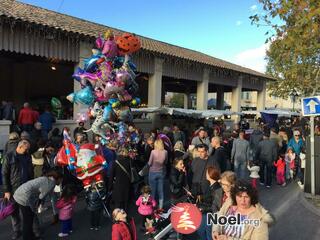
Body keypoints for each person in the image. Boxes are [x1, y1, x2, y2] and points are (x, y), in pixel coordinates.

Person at [13, 169, 63, 240]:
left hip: (20, 192)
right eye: (61, 180)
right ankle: (27, 237)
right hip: (24, 197)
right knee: (28, 220)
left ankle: (30, 236)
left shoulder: (46, 178)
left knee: (29, 218)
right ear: (58, 178)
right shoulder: (51, 183)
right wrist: (38, 206)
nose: (61, 182)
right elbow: (41, 197)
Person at [2, 140, 34, 240]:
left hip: (26, 188)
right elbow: (4, 174)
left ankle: (33, 232)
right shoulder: (9, 156)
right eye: (26, 148)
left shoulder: (27, 156)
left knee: (29, 211)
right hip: (14, 189)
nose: (27, 150)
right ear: (20, 147)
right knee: (14, 212)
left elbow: (30, 171)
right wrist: (7, 190)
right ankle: (17, 231)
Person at [197, 166, 223, 240]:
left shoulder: (217, 188)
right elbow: (208, 200)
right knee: (201, 232)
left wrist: (202, 208)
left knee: (208, 234)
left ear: (210, 175)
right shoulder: (211, 186)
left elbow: (216, 206)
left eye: (206, 173)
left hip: (210, 215)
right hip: (205, 213)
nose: (206, 174)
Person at [109, 147, 132, 212]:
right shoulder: (129, 161)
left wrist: (110, 187)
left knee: (118, 204)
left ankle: (119, 219)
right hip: (127, 184)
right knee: (126, 203)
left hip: (118, 185)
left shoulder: (115, 162)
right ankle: (126, 215)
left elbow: (111, 176)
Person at [148, 139, 167, 209]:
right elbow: (165, 162)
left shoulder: (153, 152)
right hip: (161, 172)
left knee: (152, 191)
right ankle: (160, 207)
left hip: (152, 172)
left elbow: (149, 163)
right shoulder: (165, 152)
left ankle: (152, 206)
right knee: (160, 191)